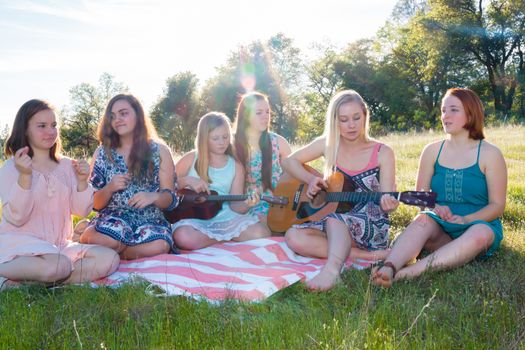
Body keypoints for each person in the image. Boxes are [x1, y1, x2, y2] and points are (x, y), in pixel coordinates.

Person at [372, 88, 507, 287]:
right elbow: (422, 199)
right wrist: (434, 208)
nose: (445, 116)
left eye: (453, 110)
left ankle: (408, 274)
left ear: (470, 113)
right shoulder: (432, 150)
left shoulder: (490, 153)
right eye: (443, 110)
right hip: (441, 226)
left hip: (477, 225)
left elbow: (497, 206)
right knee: (423, 219)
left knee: (480, 234)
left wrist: (465, 219)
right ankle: (389, 267)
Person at [282, 89, 399, 291]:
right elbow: (289, 161)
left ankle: (331, 272)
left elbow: (386, 200)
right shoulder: (329, 145)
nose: (351, 125)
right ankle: (362, 256)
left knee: (334, 219)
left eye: (356, 118)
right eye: (344, 120)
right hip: (336, 217)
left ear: (365, 116)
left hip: (370, 223)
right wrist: (311, 179)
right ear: (334, 121)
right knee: (293, 236)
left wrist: (389, 204)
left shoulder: (383, 152)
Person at [0, 99, 119, 291]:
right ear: (25, 130)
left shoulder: (66, 166)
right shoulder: (11, 168)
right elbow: (17, 217)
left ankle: (35, 283)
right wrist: (25, 176)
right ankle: (6, 272)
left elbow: (81, 211)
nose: (50, 131)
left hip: (59, 246)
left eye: (54, 125)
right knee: (59, 265)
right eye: (42, 126)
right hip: (20, 245)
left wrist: (82, 181)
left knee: (110, 258)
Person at [80, 94, 178, 260]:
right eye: (112, 116)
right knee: (110, 240)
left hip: (150, 219)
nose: (117, 119)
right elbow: (95, 204)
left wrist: (153, 197)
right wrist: (109, 188)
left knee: (160, 246)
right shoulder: (103, 153)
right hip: (114, 219)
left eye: (123, 113)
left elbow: (170, 199)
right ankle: (103, 242)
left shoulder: (160, 151)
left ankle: (117, 253)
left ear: (138, 115)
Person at [172, 112, 270, 250]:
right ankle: (225, 237)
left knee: (261, 233)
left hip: (226, 218)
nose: (222, 142)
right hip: (195, 219)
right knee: (183, 237)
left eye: (225, 137)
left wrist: (248, 204)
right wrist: (187, 180)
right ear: (204, 139)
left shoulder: (235, 165)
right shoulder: (191, 158)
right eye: (215, 138)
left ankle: (219, 236)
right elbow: (166, 185)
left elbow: (234, 206)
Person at [234, 92, 292, 223]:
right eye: (259, 112)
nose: (265, 117)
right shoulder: (232, 144)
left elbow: (293, 176)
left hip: (279, 203)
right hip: (247, 205)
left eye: (267, 112)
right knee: (257, 222)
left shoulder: (278, 142)